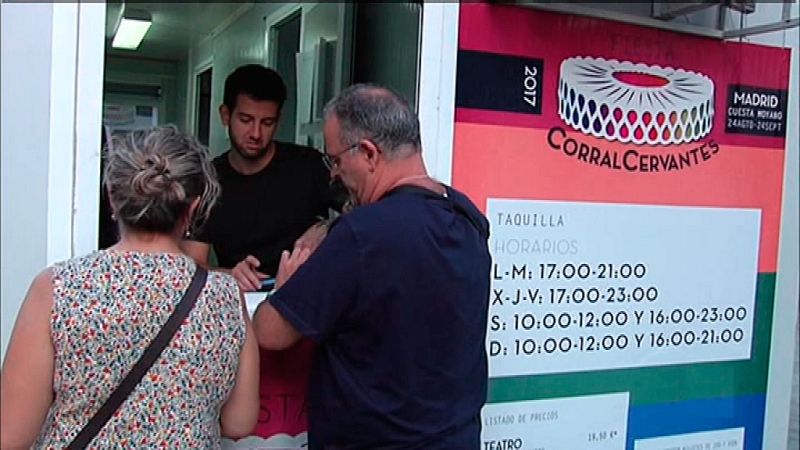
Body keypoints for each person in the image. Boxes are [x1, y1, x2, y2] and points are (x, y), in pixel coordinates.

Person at [253, 84, 492, 449]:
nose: (333, 175)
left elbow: (271, 332)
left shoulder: (362, 235)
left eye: (335, 160)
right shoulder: (468, 218)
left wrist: (285, 288)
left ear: (368, 153)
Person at [0, 126, 259, 448]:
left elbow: (11, 435)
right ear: (193, 209)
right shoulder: (224, 297)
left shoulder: (58, 287)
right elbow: (239, 420)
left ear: (112, 197)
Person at [181, 64, 337, 448]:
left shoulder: (309, 167)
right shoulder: (209, 180)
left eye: (267, 123)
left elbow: (361, 213)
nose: (255, 133)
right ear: (225, 115)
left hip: (305, 322)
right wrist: (227, 274)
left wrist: (325, 228)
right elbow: (191, 266)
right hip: (240, 325)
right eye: (246, 120)